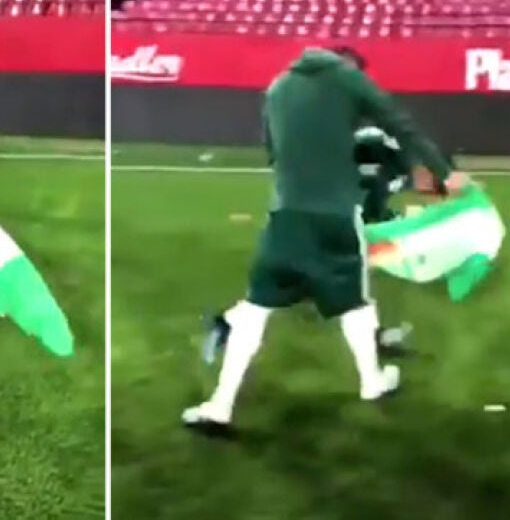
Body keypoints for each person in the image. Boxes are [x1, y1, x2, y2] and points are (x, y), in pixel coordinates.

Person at [183, 46, 467, 432]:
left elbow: (273, 152)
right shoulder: (348, 79)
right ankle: (372, 382)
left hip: (285, 217)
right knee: (355, 303)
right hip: (334, 215)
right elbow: (401, 125)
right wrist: (445, 173)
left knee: (255, 308)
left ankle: (220, 406)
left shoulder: (278, 86)